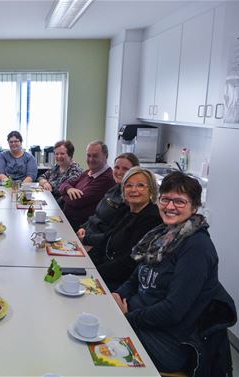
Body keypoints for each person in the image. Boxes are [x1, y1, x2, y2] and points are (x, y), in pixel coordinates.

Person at [113, 172, 222, 373]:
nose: (170, 207)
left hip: (166, 342)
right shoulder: (163, 234)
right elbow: (134, 279)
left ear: (195, 206)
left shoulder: (196, 248)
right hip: (140, 318)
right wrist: (116, 296)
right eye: (165, 199)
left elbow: (173, 310)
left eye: (179, 201)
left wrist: (128, 317)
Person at [89, 167, 162, 290]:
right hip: (104, 269)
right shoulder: (124, 209)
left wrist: (94, 272)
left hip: (120, 281)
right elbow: (106, 240)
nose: (134, 190)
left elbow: (129, 262)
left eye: (140, 185)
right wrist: (88, 263)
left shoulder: (152, 218)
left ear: (151, 191)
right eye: (129, 186)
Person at [77, 153, 140, 247]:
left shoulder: (130, 200)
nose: (119, 172)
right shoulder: (114, 189)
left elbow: (114, 237)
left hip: (96, 245)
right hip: (87, 235)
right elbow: (97, 215)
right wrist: (83, 227)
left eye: (125, 169)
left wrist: (85, 239)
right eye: (117, 167)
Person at [59, 141, 116, 230]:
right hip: (66, 219)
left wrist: (64, 192)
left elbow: (77, 201)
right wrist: (69, 189)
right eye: (88, 155)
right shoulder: (88, 172)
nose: (91, 159)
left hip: (79, 227)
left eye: (95, 156)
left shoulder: (107, 178)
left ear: (106, 156)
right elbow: (64, 184)